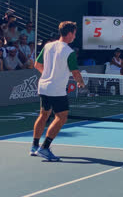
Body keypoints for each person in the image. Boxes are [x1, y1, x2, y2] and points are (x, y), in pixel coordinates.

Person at [30, 21, 85, 161]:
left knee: (43, 115)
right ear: (69, 33)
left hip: (43, 86)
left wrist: (48, 75)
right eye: (74, 33)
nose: (74, 36)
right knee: (61, 117)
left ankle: (34, 146)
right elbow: (75, 72)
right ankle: (45, 147)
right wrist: (81, 83)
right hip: (56, 90)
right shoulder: (69, 52)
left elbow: (37, 64)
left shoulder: (48, 46)